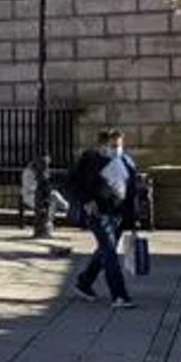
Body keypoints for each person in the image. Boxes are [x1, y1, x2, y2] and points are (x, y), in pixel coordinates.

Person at [67, 127, 144, 309]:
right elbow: (74, 182)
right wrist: (87, 200)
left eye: (119, 145)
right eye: (113, 145)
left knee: (104, 251)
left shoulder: (125, 161)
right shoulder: (91, 159)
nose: (117, 148)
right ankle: (120, 296)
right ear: (102, 145)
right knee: (110, 252)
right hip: (98, 213)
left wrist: (134, 218)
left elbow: (132, 190)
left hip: (117, 214)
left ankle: (85, 282)